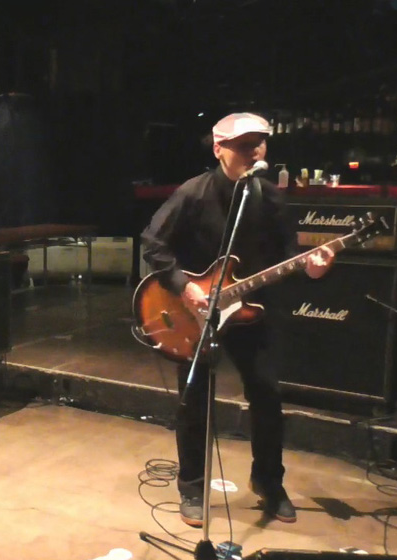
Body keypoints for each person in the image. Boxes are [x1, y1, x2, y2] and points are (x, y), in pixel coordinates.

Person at [140, 112, 335, 528]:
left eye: (259, 143)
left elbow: (289, 257)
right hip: (197, 312)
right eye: (244, 145)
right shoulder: (193, 193)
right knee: (195, 400)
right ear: (218, 149)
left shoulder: (271, 197)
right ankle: (192, 487)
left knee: (267, 395)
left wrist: (312, 269)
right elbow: (153, 243)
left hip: (253, 309)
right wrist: (185, 287)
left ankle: (269, 481)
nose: (254, 151)